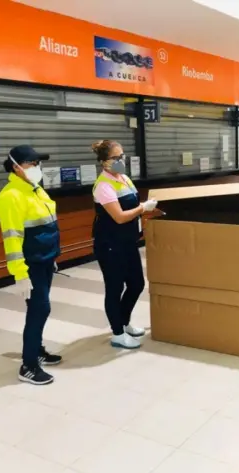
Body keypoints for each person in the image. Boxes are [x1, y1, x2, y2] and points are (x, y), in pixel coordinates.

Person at [0, 145, 62, 386]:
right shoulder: (10, 196)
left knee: (40, 310)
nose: (36, 168)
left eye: (37, 164)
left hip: (45, 260)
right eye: (31, 164)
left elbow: (47, 227)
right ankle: (29, 365)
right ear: (15, 167)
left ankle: (37, 350)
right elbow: (12, 239)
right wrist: (20, 275)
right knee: (39, 310)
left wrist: (52, 256)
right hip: (30, 266)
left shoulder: (35, 190)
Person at [91, 140, 157, 349]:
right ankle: (117, 333)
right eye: (116, 158)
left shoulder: (125, 179)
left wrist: (144, 208)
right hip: (110, 244)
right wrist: (143, 208)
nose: (121, 161)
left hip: (128, 242)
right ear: (104, 162)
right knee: (114, 287)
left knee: (137, 284)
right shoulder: (103, 185)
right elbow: (119, 217)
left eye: (122, 156)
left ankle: (124, 321)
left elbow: (133, 206)